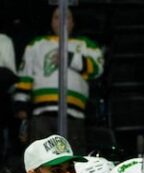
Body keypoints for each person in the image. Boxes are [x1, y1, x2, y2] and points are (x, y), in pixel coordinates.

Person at [13, 8, 104, 152]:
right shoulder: (37, 44)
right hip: (41, 113)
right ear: (51, 22)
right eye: (56, 17)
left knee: (73, 157)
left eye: (66, 17)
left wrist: (70, 58)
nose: (61, 21)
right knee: (42, 158)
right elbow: (25, 75)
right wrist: (21, 105)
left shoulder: (86, 44)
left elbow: (98, 69)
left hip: (74, 114)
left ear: (73, 22)